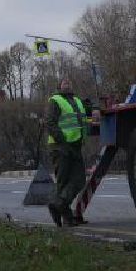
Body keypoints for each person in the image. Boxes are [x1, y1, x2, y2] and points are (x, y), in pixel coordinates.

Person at [45, 77, 92, 227]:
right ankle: (65, 216)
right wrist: (63, 143)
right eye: (65, 83)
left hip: (75, 147)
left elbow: (84, 117)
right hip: (61, 148)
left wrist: (93, 108)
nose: (68, 84)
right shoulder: (55, 100)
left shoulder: (77, 101)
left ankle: (56, 204)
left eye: (70, 82)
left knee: (79, 180)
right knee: (63, 182)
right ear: (59, 87)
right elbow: (50, 123)